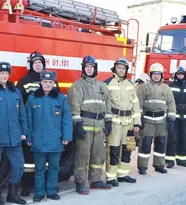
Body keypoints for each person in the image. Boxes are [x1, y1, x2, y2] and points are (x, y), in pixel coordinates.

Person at [0, 61, 28, 205]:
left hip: (14, 137)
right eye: (1, 73)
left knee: (19, 165)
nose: (3, 75)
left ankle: (12, 194)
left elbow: (22, 114)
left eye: (6, 73)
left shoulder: (15, 92)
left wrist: (23, 132)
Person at [67, 55, 113, 195]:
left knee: (98, 155)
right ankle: (80, 182)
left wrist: (109, 121)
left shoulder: (102, 86)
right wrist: (77, 124)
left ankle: (95, 179)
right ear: (83, 68)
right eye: (87, 66)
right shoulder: (78, 85)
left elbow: (108, 105)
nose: (89, 69)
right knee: (83, 155)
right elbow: (73, 106)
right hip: (85, 126)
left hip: (99, 127)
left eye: (91, 66)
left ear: (95, 68)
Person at [26, 70, 73, 202]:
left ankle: (52, 191)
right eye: (45, 82)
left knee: (54, 168)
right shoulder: (33, 98)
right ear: (40, 82)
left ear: (54, 83)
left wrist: (67, 137)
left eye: (50, 82)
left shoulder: (60, 98)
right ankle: (39, 192)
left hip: (55, 141)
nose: (47, 84)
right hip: (38, 141)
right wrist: (29, 137)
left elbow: (67, 119)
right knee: (39, 169)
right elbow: (28, 119)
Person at [104, 57, 141, 186]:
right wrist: (107, 122)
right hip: (115, 123)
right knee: (113, 150)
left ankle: (123, 174)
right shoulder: (108, 83)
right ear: (115, 68)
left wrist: (137, 122)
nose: (121, 70)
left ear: (126, 70)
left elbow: (136, 104)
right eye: (119, 67)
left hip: (129, 124)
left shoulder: (130, 85)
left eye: (123, 68)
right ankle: (111, 177)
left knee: (128, 149)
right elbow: (105, 104)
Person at [136, 63, 176, 175]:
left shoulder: (167, 89)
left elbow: (171, 104)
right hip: (147, 121)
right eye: (154, 74)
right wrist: (139, 120)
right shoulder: (143, 88)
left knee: (161, 144)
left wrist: (171, 119)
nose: (156, 76)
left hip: (161, 122)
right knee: (145, 145)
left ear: (161, 75)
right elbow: (138, 104)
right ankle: (142, 167)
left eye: (158, 74)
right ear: (151, 74)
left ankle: (159, 165)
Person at [16, 51, 45, 197]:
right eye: (35, 62)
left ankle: (42, 184)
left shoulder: (49, 79)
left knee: (44, 156)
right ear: (31, 65)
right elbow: (19, 105)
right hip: (30, 124)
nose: (38, 65)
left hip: (46, 125)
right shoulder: (24, 81)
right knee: (28, 159)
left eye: (40, 62)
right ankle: (27, 185)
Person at [166, 66, 186, 168]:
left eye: (182, 74)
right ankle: (169, 161)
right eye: (179, 74)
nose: (180, 76)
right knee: (172, 138)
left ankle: (182, 159)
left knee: (183, 139)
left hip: (185, 117)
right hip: (174, 117)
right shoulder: (170, 86)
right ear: (175, 75)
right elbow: (167, 102)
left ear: (185, 75)